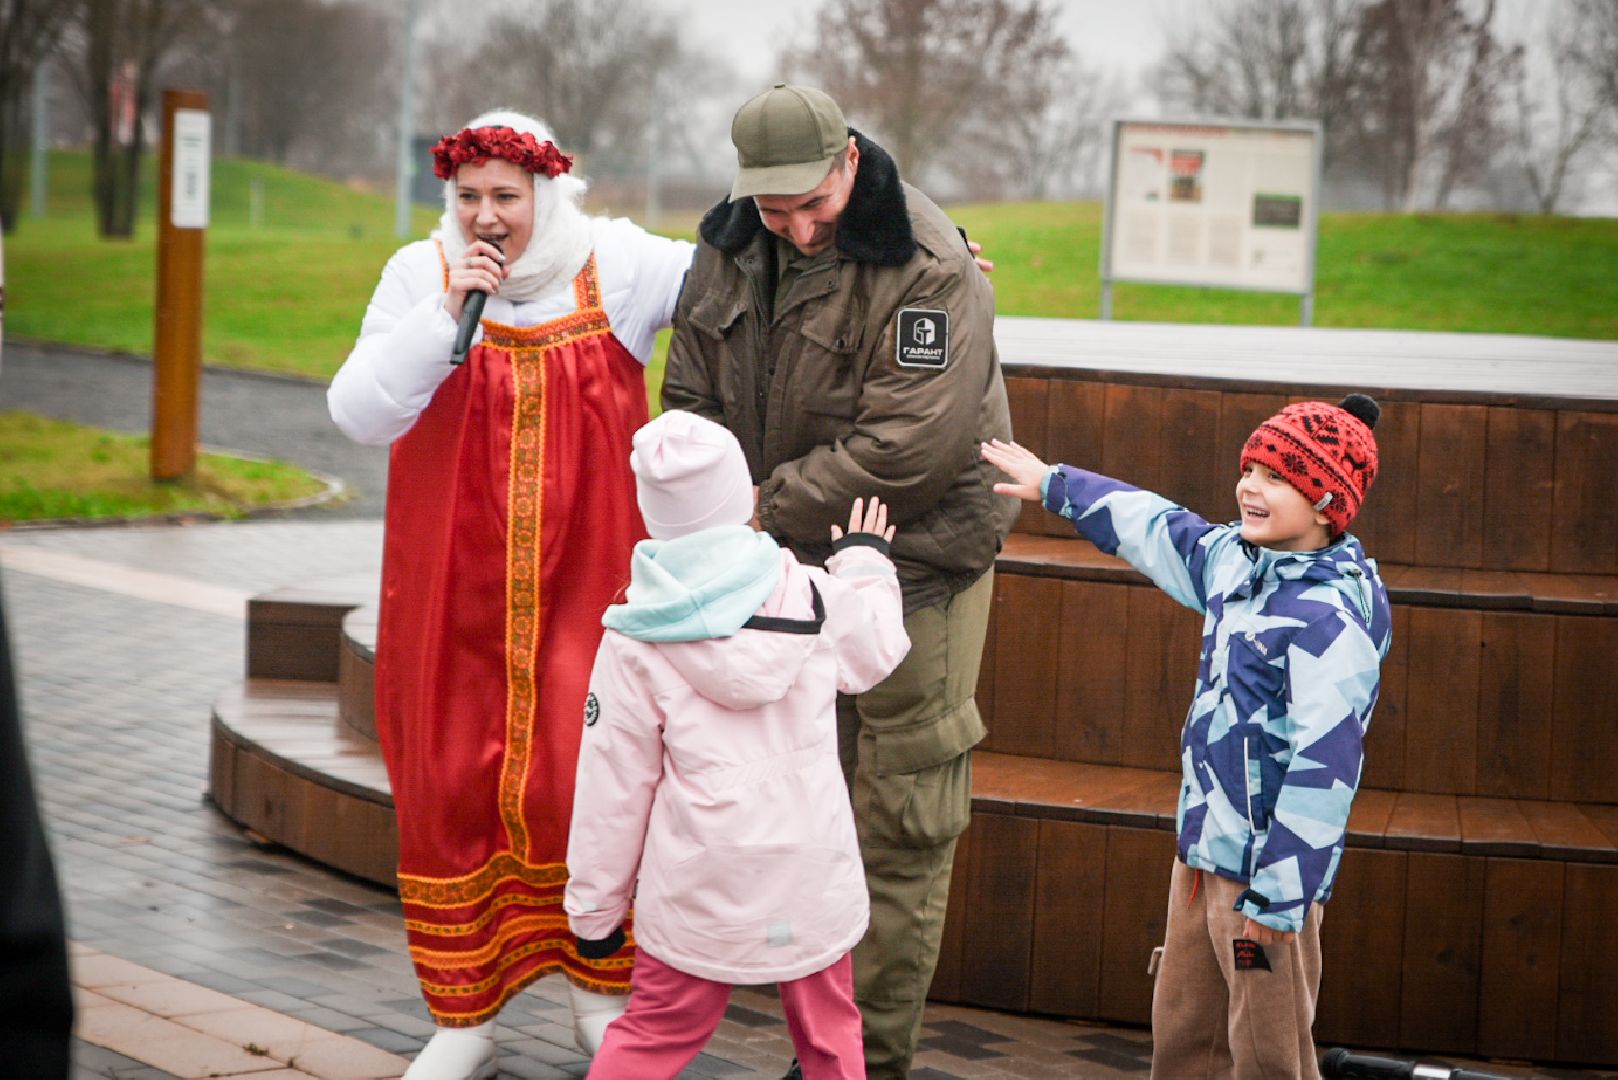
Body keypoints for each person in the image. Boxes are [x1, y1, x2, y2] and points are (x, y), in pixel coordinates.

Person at [326, 110, 695, 1080]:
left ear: (548, 195)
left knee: (589, 774)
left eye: (507, 198)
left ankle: (598, 997)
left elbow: (747, 271)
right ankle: (464, 1018)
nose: (486, 218)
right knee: (447, 776)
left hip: (591, 579)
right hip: (449, 583)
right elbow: (359, 412)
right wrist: (445, 311)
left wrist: (912, 260)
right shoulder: (421, 274)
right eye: (469, 198)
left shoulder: (616, 262)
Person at [660, 84, 1018, 1078]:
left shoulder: (930, 263)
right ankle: (828, 1053)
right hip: (782, 564)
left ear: (850, 162)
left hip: (917, 562)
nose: (800, 228)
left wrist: (756, 508)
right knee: (806, 812)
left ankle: (869, 1065)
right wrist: (729, 515)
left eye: (814, 204)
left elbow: (911, 448)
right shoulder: (728, 248)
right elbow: (688, 398)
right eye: (777, 211)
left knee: (899, 816)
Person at [981, 394, 1393, 1080]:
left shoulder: (1328, 618)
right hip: (1202, 859)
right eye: (1250, 469)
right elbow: (1155, 525)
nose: (1250, 488)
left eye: (1276, 478)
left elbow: (1327, 771)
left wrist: (1280, 899)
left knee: (1268, 1054)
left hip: (1264, 880)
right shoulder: (1236, 563)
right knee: (1185, 1034)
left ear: (1327, 502)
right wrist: (1057, 484)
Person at [564, 410, 911, 1079]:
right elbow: (877, 650)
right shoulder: (813, 595)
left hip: (699, 884)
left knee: (654, 1031)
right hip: (809, 871)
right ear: (746, 498)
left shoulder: (634, 637)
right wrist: (866, 561)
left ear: (652, 516)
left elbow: (612, 785)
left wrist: (595, 910)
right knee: (833, 1040)